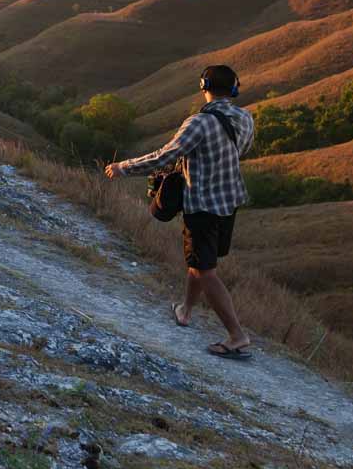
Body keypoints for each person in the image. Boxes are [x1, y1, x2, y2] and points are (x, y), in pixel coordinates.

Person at [104, 65, 256, 360]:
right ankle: (185, 310)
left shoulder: (198, 123)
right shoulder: (246, 118)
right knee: (200, 261)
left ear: (204, 85)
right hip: (229, 200)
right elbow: (241, 151)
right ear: (234, 88)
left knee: (205, 270)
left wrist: (124, 167)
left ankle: (237, 335)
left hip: (202, 203)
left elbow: (165, 156)